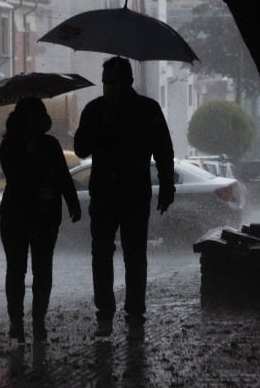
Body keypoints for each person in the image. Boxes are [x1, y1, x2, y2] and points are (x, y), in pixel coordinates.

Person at [73, 56, 175, 338]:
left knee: (133, 253)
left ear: (127, 81)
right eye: (105, 82)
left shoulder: (146, 109)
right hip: (106, 193)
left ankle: (134, 312)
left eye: (112, 82)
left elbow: (163, 151)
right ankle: (106, 312)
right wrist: (99, 128)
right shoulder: (96, 110)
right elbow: (80, 148)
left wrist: (167, 187)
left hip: (133, 193)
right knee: (103, 253)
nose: (108, 87)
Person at [0, 96, 82, 344]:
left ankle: (38, 321)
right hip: (16, 217)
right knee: (16, 270)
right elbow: (16, 177)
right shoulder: (10, 145)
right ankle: (16, 322)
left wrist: (72, 202)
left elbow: (64, 177)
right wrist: (30, 154)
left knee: (42, 271)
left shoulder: (51, 144)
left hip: (45, 218)